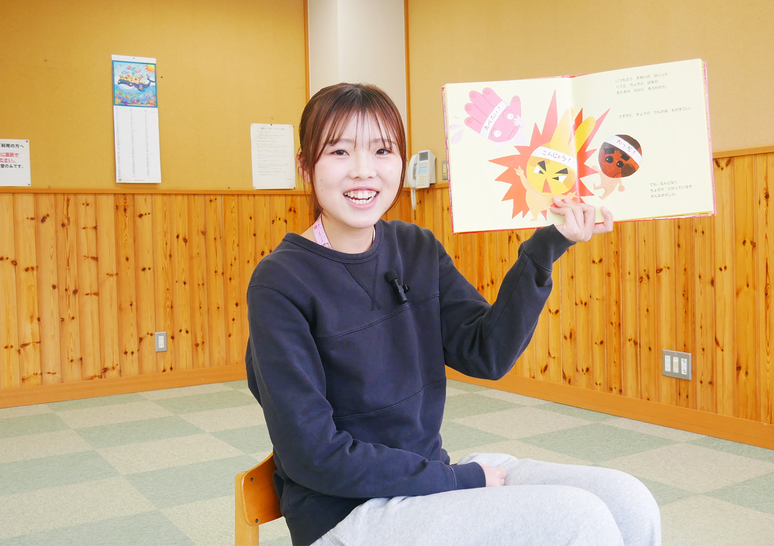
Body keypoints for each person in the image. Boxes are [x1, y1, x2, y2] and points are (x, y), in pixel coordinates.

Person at [245, 83, 662, 546]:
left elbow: (487, 353)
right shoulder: (280, 282)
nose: (363, 171)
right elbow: (313, 456)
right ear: (305, 166)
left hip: (426, 482)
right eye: (339, 151)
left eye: (382, 150)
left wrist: (548, 245)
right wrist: (461, 480)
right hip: (345, 514)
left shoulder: (415, 247)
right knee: (576, 518)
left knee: (627, 499)